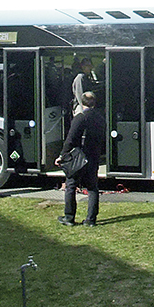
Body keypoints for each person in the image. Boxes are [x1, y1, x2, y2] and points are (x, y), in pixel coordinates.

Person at [57, 90, 104, 227]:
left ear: (82, 103)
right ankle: (90, 219)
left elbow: (70, 139)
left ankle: (69, 217)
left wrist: (62, 156)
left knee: (71, 185)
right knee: (92, 188)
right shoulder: (100, 118)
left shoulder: (80, 117)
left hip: (79, 157)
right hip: (94, 156)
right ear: (94, 103)